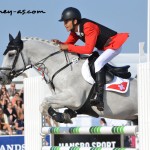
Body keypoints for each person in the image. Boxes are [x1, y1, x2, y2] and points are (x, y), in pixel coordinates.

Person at [52, 7, 129, 111]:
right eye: (64, 22)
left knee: (98, 63)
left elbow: (88, 49)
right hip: (103, 48)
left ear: (75, 21)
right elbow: (68, 44)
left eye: (66, 21)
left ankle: (99, 98)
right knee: (90, 61)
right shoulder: (75, 30)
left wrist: (67, 47)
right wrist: (59, 43)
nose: (64, 24)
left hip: (113, 45)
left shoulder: (88, 27)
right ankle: (115, 71)